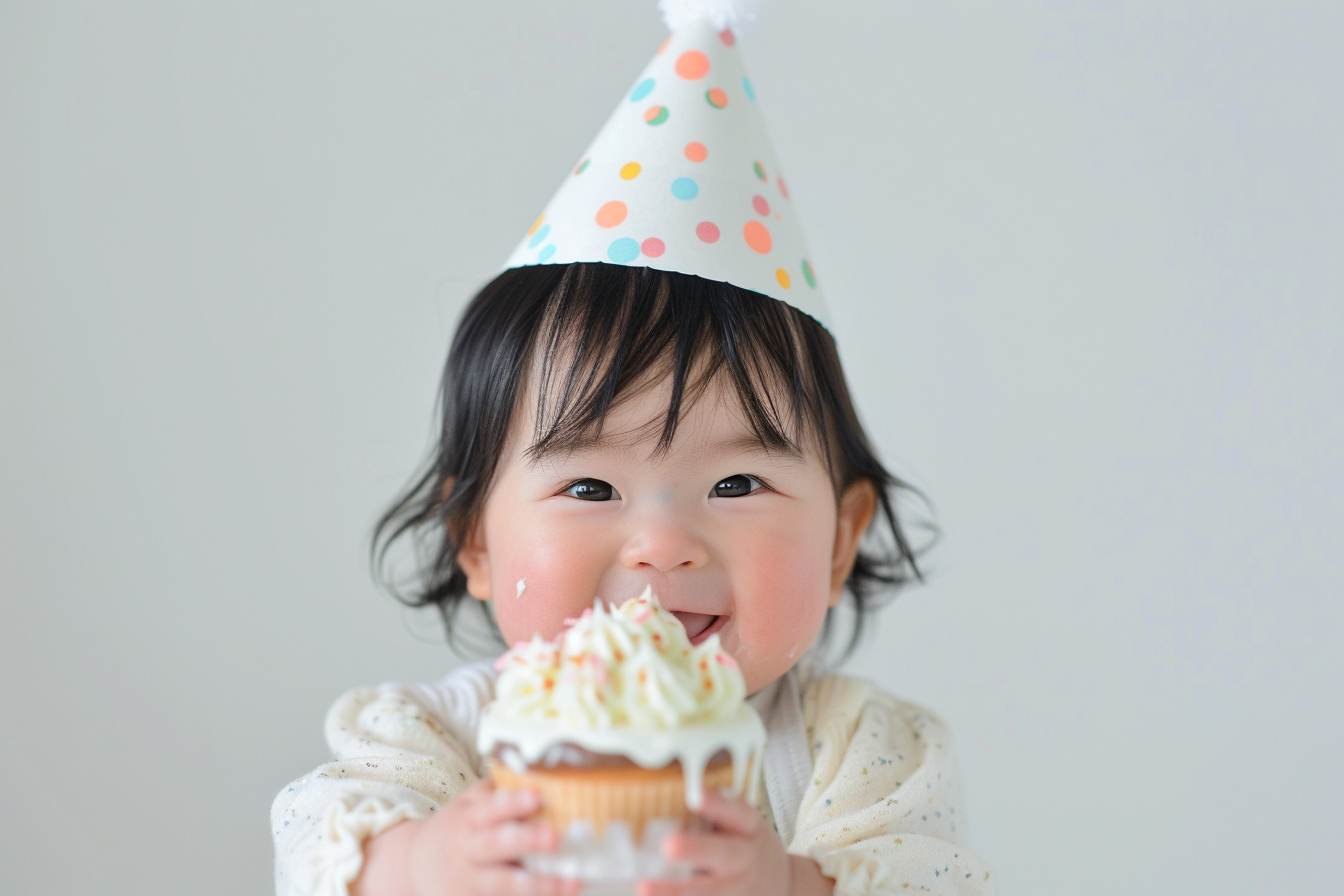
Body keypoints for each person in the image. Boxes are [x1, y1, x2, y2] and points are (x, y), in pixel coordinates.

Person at [272, 7, 993, 896]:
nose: (661, 545)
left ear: (842, 538)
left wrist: (788, 884)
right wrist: (426, 864)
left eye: (737, 481)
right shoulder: (438, 740)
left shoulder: (862, 750)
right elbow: (315, 848)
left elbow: (933, 878)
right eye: (588, 486)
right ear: (476, 540)